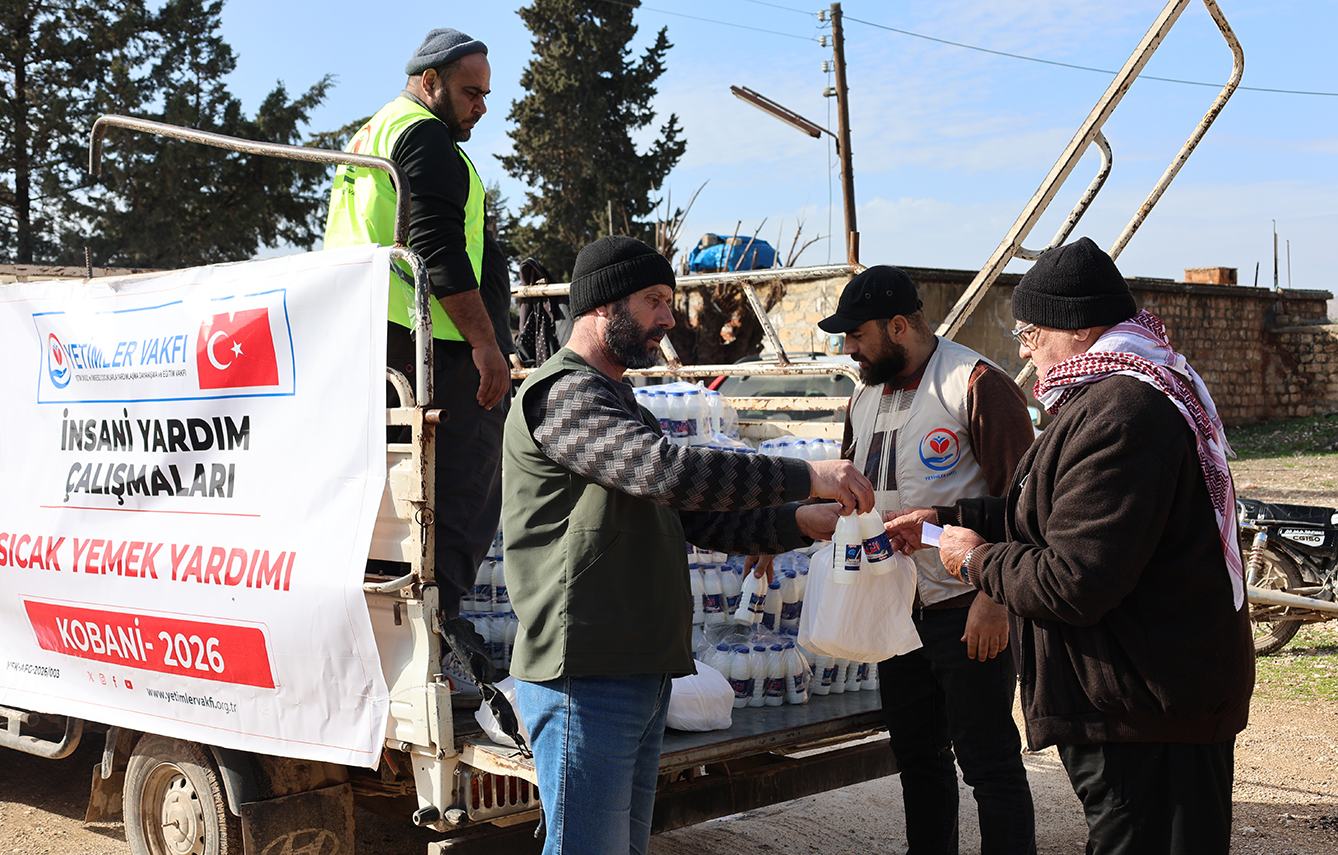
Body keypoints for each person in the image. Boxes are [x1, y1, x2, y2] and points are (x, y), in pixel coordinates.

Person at [502, 236, 873, 855]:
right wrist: (807, 475)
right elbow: (670, 473)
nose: (668, 320)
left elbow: (692, 516)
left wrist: (797, 523)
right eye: (653, 301)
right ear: (601, 305)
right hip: (585, 676)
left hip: (639, 671)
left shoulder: (621, 403)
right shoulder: (562, 395)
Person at [887, 238, 1255, 855]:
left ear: (1077, 329)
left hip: (1147, 713)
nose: (1023, 352)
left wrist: (975, 561)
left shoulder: (1124, 412)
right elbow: (1056, 514)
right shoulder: (1110, 399)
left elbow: (1073, 578)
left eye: (1031, 333)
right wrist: (949, 515)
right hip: (1141, 702)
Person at [818, 265, 1037, 855]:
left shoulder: (976, 383)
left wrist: (994, 601)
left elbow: (1023, 505)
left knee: (987, 760)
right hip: (895, 610)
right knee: (918, 757)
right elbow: (847, 489)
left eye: (857, 336)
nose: (850, 350)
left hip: (966, 606)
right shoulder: (863, 396)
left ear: (897, 326)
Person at [323, 28, 512, 622]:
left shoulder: (374, 131)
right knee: (456, 497)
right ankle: (437, 638)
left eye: (485, 93)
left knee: (391, 506)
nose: (480, 105)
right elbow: (435, 245)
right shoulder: (425, 136)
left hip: (375, 337)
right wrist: (485, 342)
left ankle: (389, 638)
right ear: (429, 82)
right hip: (436, 350)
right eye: (469, 92)